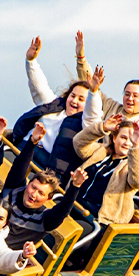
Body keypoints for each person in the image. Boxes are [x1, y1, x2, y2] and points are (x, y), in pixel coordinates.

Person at [64, 113, 139, 270]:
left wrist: (136, 146)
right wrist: (102, 127)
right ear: (114, 138)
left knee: (68, 231)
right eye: (123, 137)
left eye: (131, 139)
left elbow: (138, 181)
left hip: (98, 221)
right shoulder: (101, 151)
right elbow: (78, 143)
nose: (127, 142)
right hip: (73, 204)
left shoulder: (132, 165)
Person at [21, 34, 104, 173]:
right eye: (73, 96)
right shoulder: (55, 106)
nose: (74, 101)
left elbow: (93, 117)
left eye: (81, 99)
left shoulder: (85, 124)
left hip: (45, 167)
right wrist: (31, 61)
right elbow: (39, 87)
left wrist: (94, 92)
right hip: (24, 148)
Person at [0, 125, 81, 247]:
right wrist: (32, 142)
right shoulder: (14, 190)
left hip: (2, 253)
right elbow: (19, 166)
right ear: (28, 183)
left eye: (41, 193)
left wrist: (75, 186)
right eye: (33, 187)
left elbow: (63, 210)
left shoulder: (44, 220)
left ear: (48, 198)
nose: (34, 194)